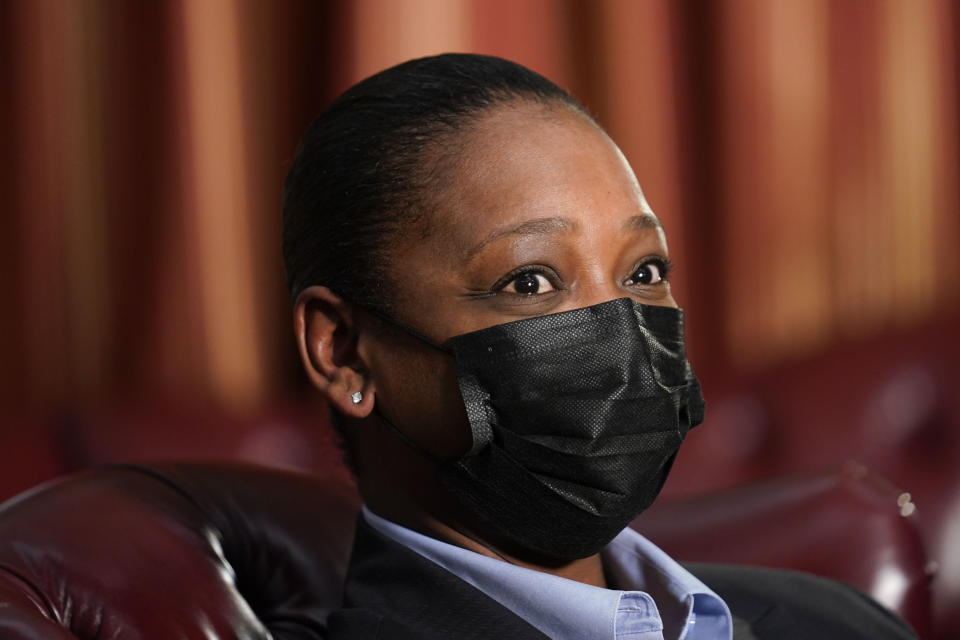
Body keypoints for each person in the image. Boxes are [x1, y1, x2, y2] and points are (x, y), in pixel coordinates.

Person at [283, 53, 915, 640]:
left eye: (644, 273)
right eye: (530, 281)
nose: (623, 337)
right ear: (344, 351)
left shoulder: (837, 619)